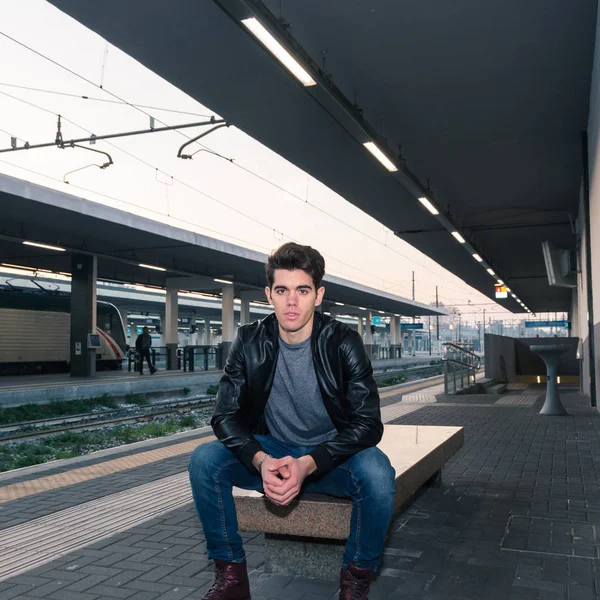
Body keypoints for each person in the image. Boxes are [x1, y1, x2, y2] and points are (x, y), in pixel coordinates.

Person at [188, 242, 395, 600]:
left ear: (319, 295)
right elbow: (224, 415)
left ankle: (355, 582)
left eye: (303, 290)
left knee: (378, 474)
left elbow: (368, 423)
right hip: (272, 452)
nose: (292, 302)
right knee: (204, 460)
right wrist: (261, 459)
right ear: (269, 295)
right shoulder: (250, 340)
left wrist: (309, 463)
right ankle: (232, 579)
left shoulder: (344, 342)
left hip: (331, 458)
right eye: (282, 290)